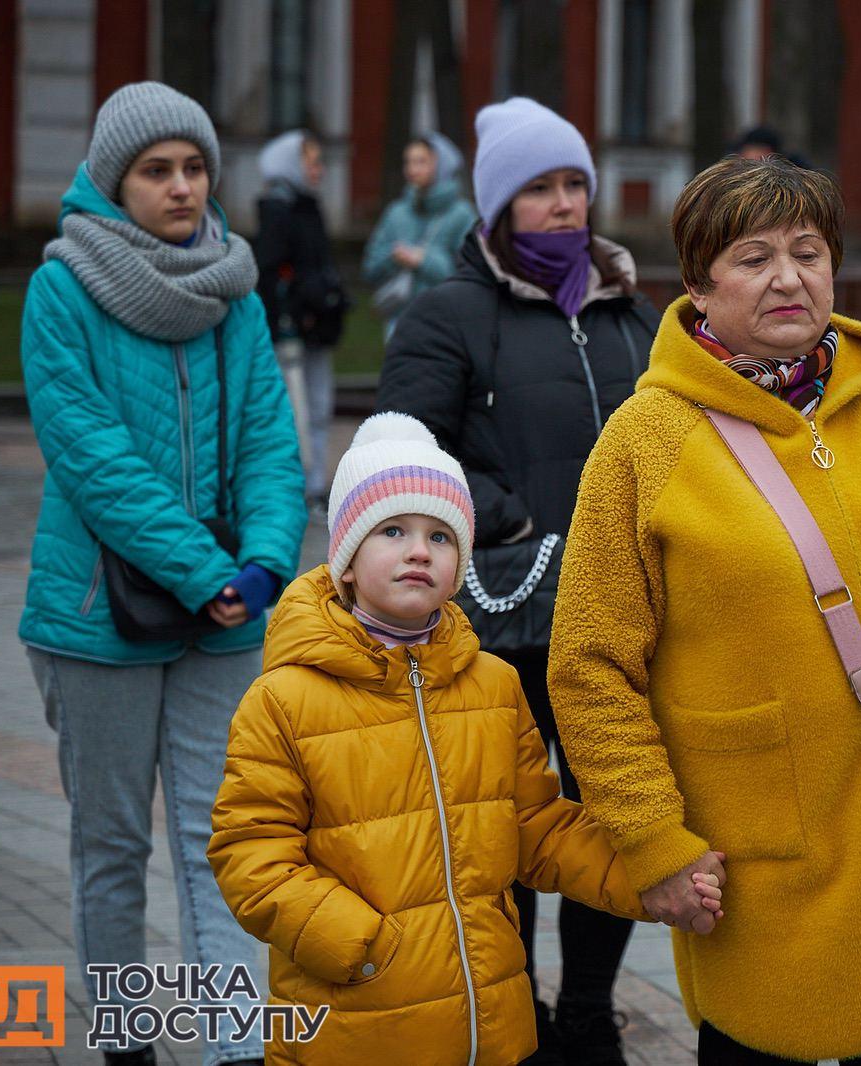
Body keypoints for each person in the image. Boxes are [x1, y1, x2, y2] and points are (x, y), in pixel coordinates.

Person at [547, 155, 861, 1064]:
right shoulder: (646, 440)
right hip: (779, 867)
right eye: (753, 257)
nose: (789, 277)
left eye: (808, 252)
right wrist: (653, 841)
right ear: (698, 283)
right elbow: (589, 662)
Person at [207, 413, 722, 1065]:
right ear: (345, 558)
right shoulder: (284, 697)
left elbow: (536, 826)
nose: (419, 550)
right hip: (355, 1025)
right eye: (392, 530)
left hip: (490, 1024)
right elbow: (250, 851)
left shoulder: (495, 684)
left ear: (461, 567)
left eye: (441, 536)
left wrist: (644, 879)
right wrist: (357, 943)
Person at [20, 81, 307, 1066]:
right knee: (111, 850)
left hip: (227, 612)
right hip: (96, 616)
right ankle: (127, 1044)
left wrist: (266, 563)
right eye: (157, 170)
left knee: (216, 842)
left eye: (194, 168)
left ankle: (232, 1049)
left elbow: (273, 438)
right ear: (114, 180)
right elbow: (92, 457)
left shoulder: (234, 285)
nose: (182, 187)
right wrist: (202, 570)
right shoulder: (61, 286)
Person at [374, 96, 660, 1066]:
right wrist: (509, 515)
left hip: (625, 613)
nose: (565, 203)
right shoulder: (446, 313)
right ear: (498, 207)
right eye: (540, 187)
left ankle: (586, 1010)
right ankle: (520, 1011)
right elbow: (406, 449)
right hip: (505, 619)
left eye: (574, 184)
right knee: (518, 824)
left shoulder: (629, 310)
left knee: (610, 811)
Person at [255, 128, 349, 516]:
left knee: (319, 403)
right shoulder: (278, 211)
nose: (317, 170)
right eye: (310, 162)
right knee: (295, 406)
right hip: (292, 330)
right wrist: (293, 308)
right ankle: (295, 483)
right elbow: (271, 271)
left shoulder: (311, 207)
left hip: (317, 326)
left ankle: (314, 484)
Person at [362, 131, 478, 337]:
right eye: (408, 162)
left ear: (441, 165)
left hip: (447, 322)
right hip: (399, 321)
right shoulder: (396, 212)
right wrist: (395, 257)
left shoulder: (461, 214)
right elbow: (370, 268)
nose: (412, 169)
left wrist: (424, 260)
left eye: (421, 161)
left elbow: (471, 275)